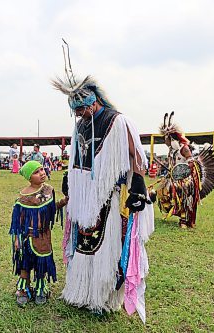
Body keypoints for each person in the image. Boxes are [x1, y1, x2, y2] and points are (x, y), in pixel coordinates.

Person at [52, 73, 154, 322]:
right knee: (83, 245)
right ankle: (82, 292)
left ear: (93, 102)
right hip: (83, 199)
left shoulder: (118, 122)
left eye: (81, 110)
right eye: (75, 112)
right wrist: (70, 177)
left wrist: (138, 185)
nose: (78, 115)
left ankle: (102, 297)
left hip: (107, 197)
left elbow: (137, 157)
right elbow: (78, 154)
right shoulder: (80, 126)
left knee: (104, 246)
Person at [9, 161, 65, 306]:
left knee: (41, 265)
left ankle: (41, 288)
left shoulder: (48, 190)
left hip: (43, 237)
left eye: (41, 169)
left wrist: (63, 202)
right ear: (29, 177)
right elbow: (17, 222)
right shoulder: (23, 198)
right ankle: (24, 288)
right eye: (36, 172)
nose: (41, 173)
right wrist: (17, 240)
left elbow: (52, 209)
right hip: (27, 237)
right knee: (25, 266)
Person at [153, 112, 214, 228]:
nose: (165, 142)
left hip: (184, 180)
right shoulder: (172, 150)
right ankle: (172, 210)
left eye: (167, 139)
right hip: (172, 177)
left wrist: (181, 172)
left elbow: (191, 163)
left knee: (181, 195)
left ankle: (184, 220)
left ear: (173, 138)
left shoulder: (184, 149)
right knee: (161, 192)